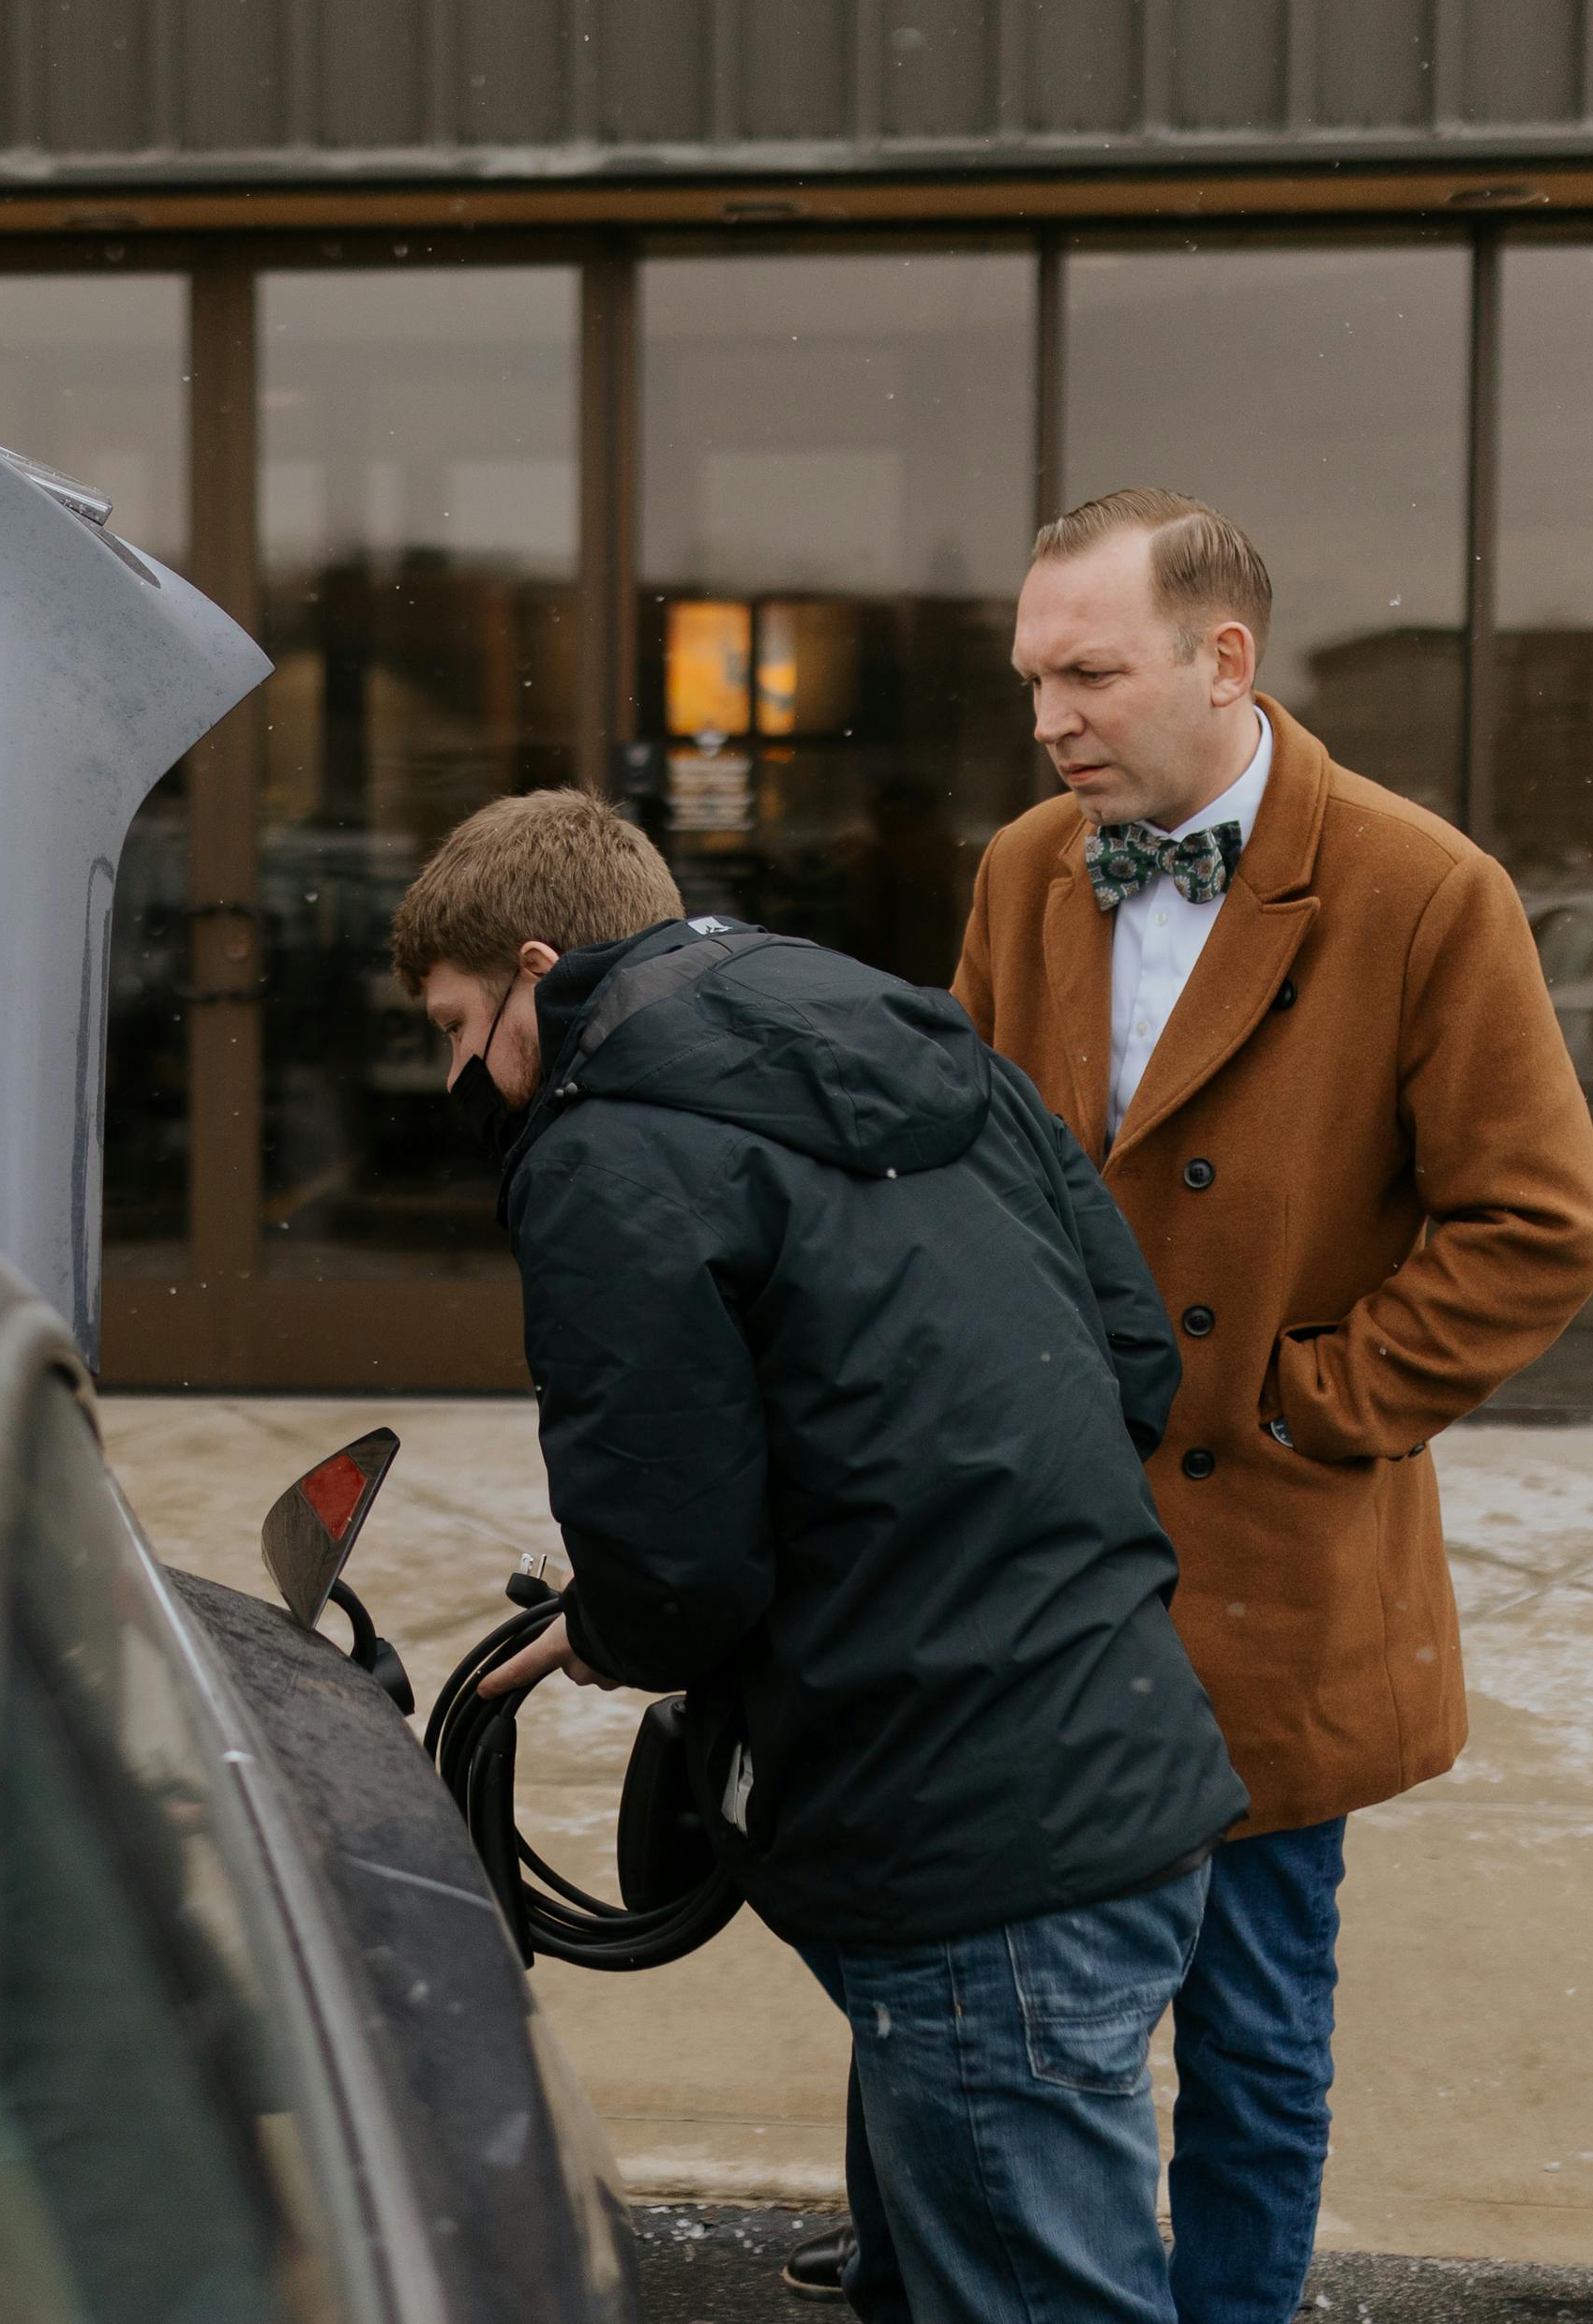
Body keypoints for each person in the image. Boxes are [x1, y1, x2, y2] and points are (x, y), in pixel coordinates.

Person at [794, 488, 1593, 2323]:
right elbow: (955, 1170)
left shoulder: (1422, 887)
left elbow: (1538, 1224)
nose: (1052, 717)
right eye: (1032, 680)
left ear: (1222, 659)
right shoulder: (1023, 868)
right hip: (1044, 1560)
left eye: (1090, 672)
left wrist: (1318, 1400)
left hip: (1274, 1557)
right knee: (1008, 2006)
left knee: (1249, 2033)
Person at [402, 788, 1253, 2324]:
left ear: (537, 967)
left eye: (459, 1025)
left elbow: (675, 1567)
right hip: (1110, 1753)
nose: (455, 1072)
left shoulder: (607, 1152)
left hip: (958, 1834)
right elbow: (1133, 1362)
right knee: (963, 2264)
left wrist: (615, 1623)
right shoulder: (923, 1041)